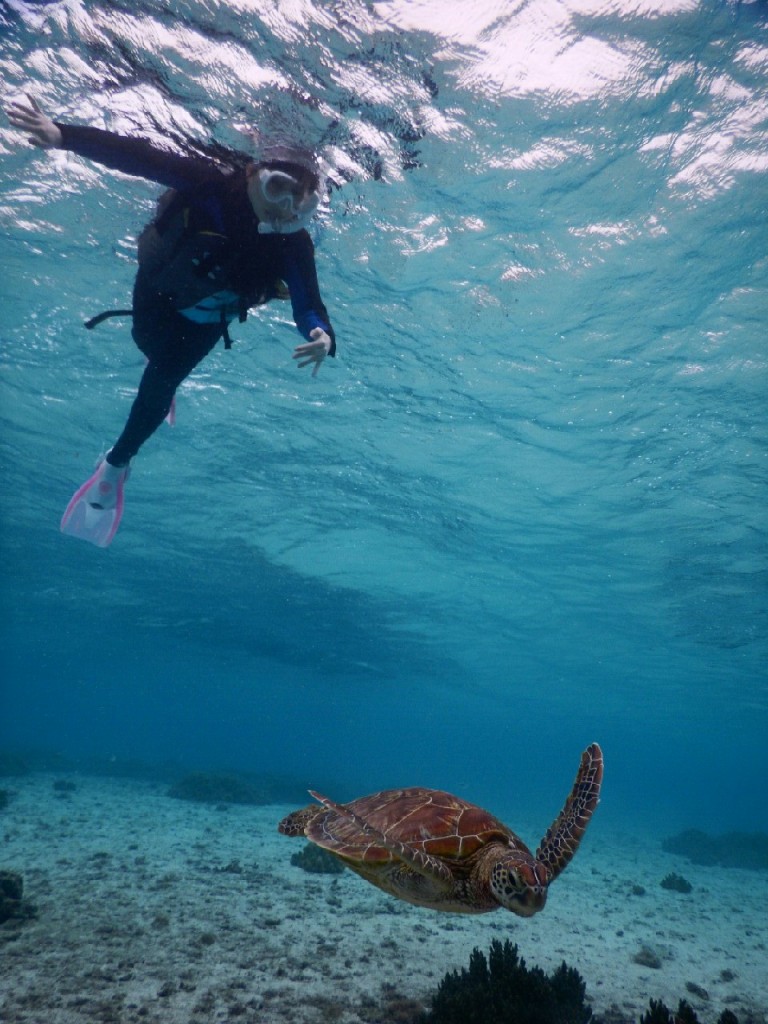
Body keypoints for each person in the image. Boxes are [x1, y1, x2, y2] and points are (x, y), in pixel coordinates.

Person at [5, 95, 336, 547]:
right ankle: (158, 384)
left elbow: (308, 302)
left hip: (206, 323)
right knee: (146, 343)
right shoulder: (210, 186)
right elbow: (137, 156)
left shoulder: (294, 244)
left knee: (160, 382)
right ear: (251, 173)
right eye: (278, 187)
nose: (286, 209)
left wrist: (321, 335)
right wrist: (64, 135)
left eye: (302, 201)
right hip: (157, 292)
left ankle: (114, 468)